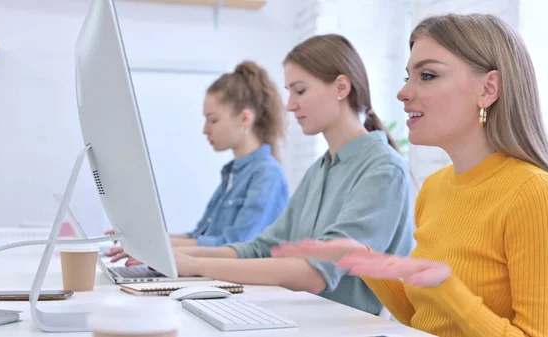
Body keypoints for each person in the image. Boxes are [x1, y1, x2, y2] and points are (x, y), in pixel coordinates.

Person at [272, 13, 548, 337]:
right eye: (408, 76)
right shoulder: (434, 188)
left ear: (488, 88)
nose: (403, 93)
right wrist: (363, 260)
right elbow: (421, 319)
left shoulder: (536, 194)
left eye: (428, 75)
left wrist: (448, 289)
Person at [167, 34, 415, 315]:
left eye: (299, 91)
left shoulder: (383, 169)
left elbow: (314, 273)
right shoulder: (319, 170)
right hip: (303, 320)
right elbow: (262, 248)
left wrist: (196, 266)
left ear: (341, 87)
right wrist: (174, 257)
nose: (289, 105)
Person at [106, 61, 290, 262]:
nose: (205, 130)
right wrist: (143, 240)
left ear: (245, 119)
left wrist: (157, 249)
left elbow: (237, 244)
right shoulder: (232, 173)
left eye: (213, 120)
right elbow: (198, 237)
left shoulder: (267, 175)